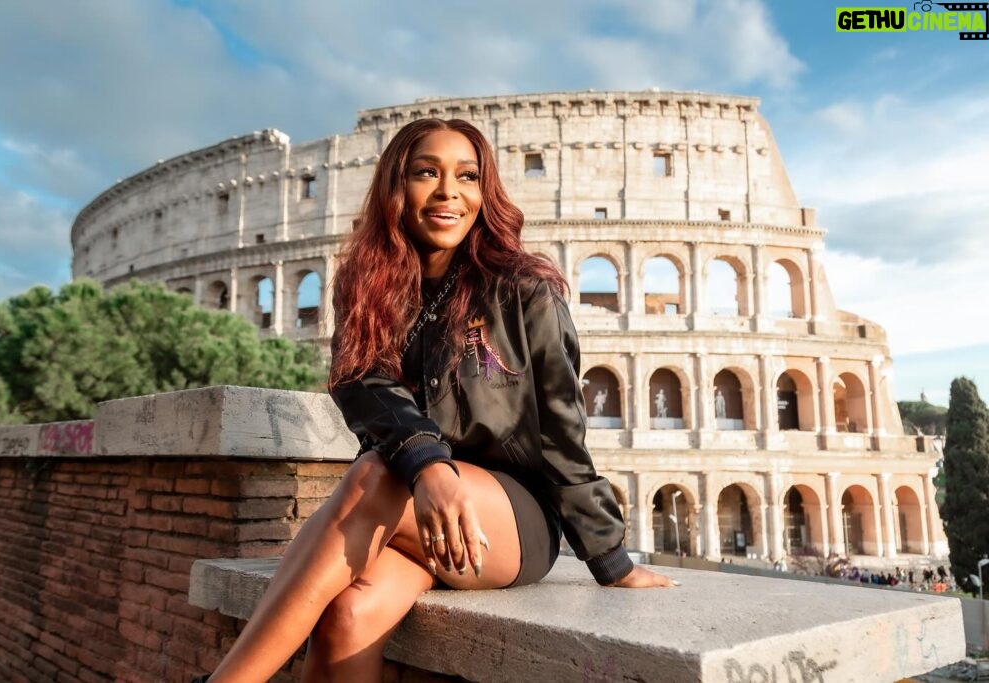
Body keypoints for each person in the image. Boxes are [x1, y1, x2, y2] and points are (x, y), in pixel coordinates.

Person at [196, 119, 675, 683]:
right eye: (428, 172)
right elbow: (361, 385)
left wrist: (611, 559)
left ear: (484, 192)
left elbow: (561, 432)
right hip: (416, 504)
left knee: (373, 474)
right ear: (398, 188)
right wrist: (429, 465)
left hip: (511, 519)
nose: (449, 191)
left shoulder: (524, 289)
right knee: (347, 616)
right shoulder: (368, 285)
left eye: (467, 176)